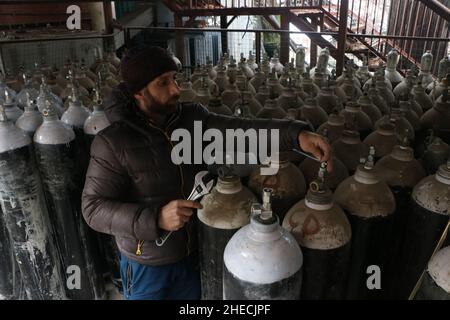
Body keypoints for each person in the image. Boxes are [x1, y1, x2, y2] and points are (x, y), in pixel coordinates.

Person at [82, 46, 333, 300]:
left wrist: (296, 135)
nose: (175, 90)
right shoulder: (113, 142)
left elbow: (243, 131)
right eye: (163, 83)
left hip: (192, 255)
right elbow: (92, 209)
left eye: (174, 79)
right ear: (138, 93)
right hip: (145, 264)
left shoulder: (191, 120)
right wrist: (154, 218)